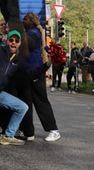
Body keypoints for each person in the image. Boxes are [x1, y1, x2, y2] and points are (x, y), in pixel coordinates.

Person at [18, 12, 61, 142]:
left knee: (40, 101)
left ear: (31, 21)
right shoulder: (30, 31)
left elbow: (30, 44)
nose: (23, 21)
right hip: (26, 71)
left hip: (36, 71)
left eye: (25, 19)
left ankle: (53, 130)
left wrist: (20, 30)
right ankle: (28, 131)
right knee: (26, 102)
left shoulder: (34, 33)